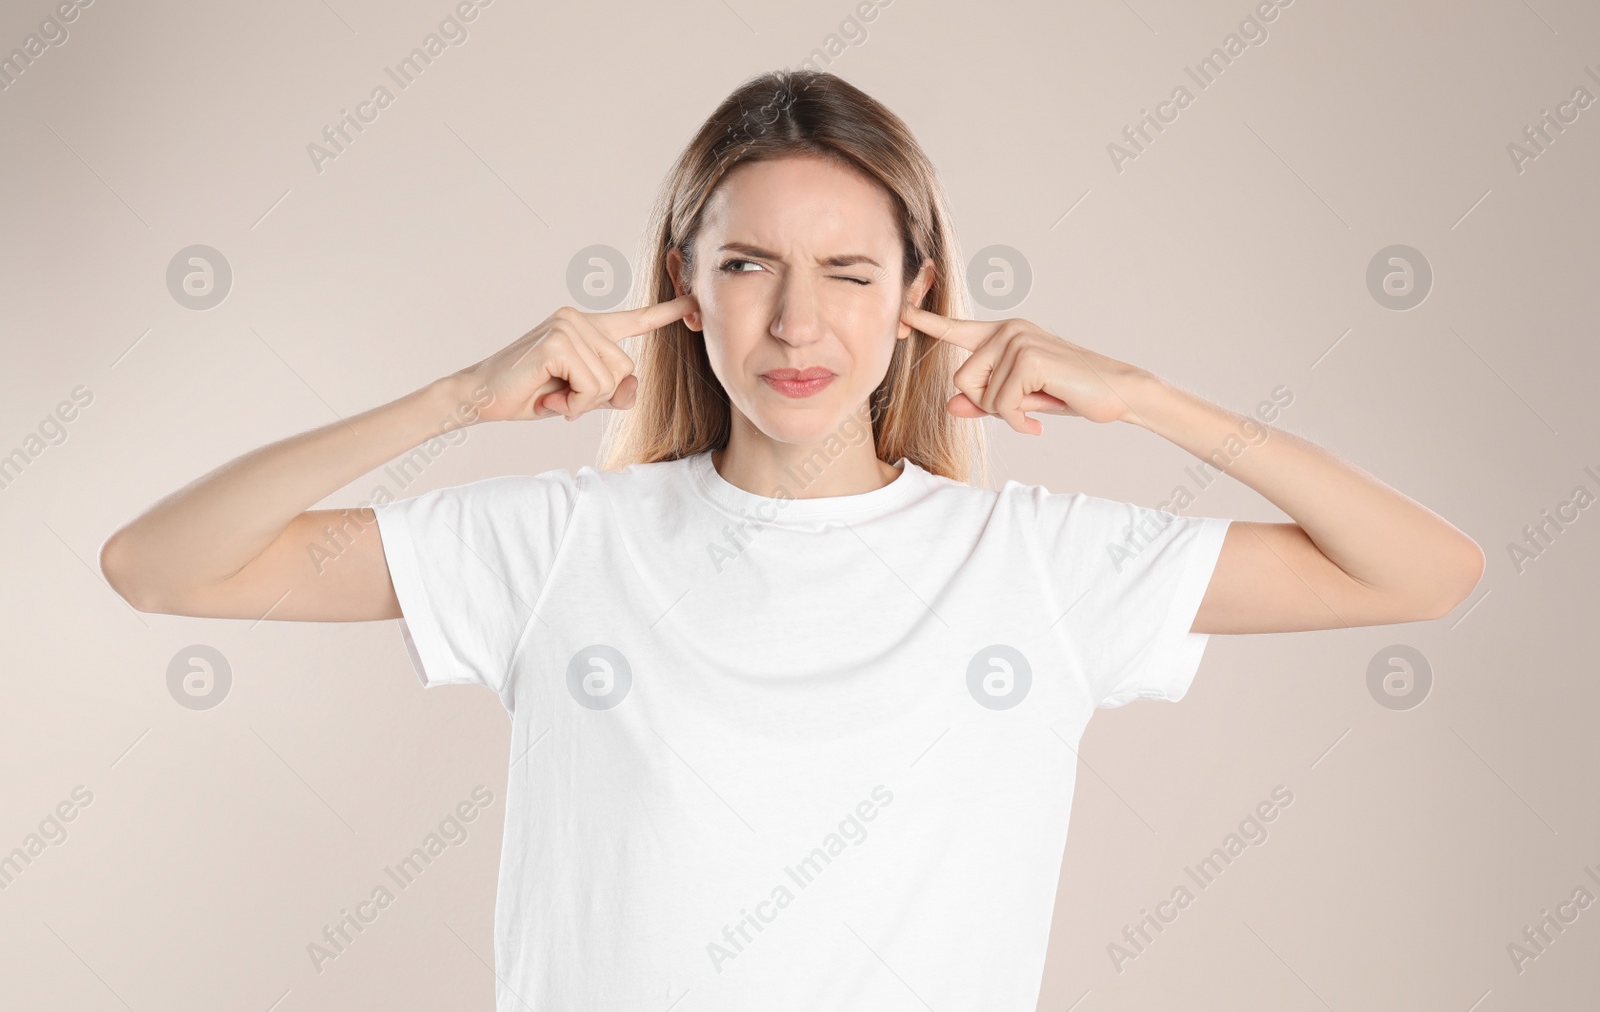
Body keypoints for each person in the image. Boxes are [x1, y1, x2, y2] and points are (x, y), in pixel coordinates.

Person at [99, 69, 1484, 1010]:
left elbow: (1424, 571)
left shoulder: (1041, 566)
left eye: (849, 272)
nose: (799, 325)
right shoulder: (561, 543)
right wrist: (457, 401)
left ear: (918, 297)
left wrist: (1153, 399)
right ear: (685, 295)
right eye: (749, 267)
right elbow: (162, 567)